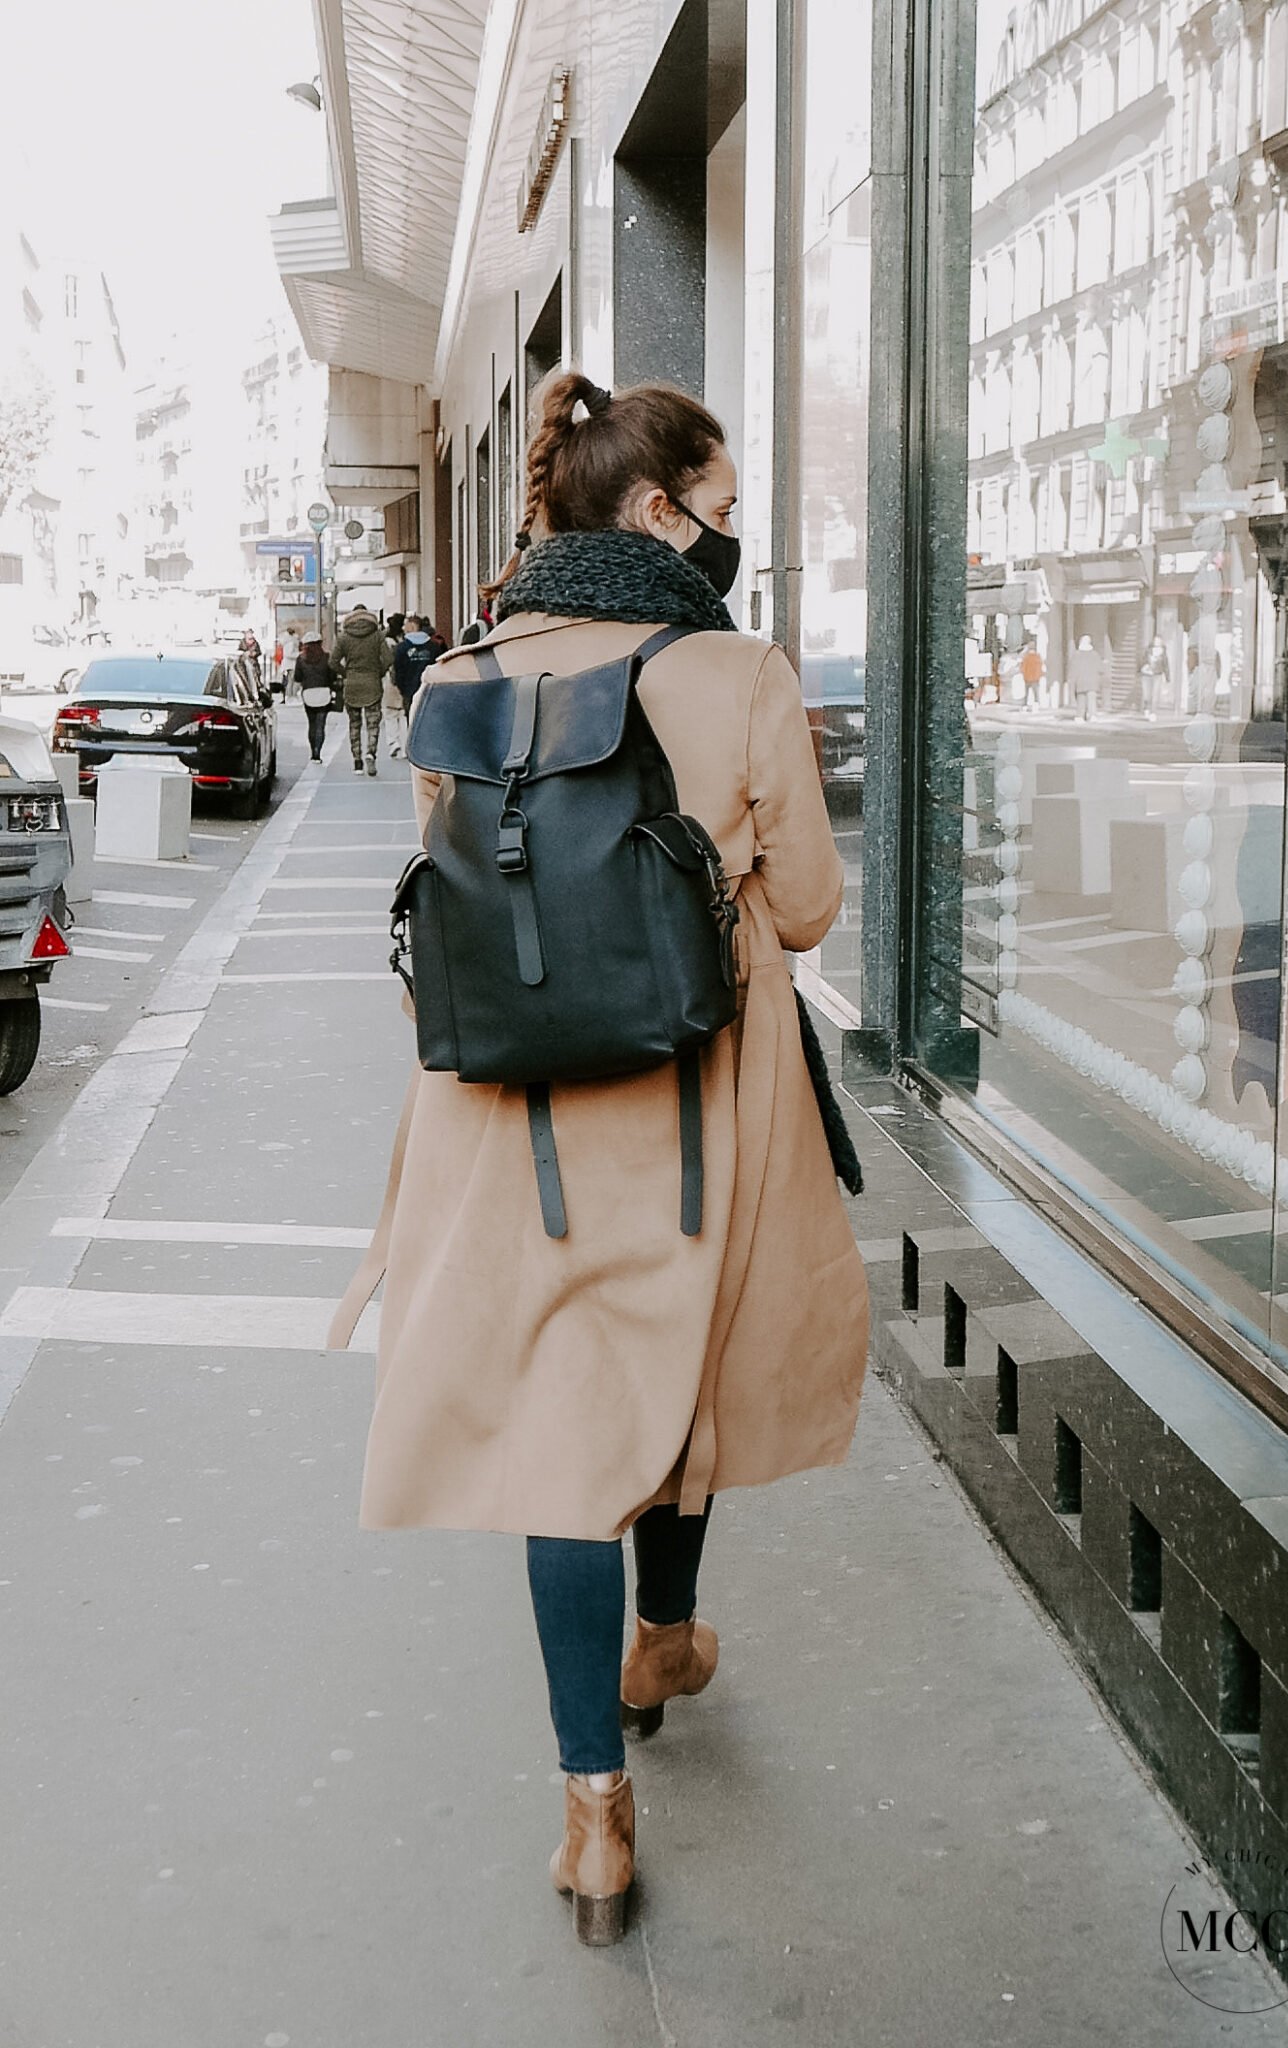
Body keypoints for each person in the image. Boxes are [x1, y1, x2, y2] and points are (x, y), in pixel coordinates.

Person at [327, 372, 870, 1947]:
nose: (730, 533)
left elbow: (450, 874)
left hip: (504, 1111)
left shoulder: (465, 667)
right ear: (659, 514)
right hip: (694, 1100)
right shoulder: (736, 669)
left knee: (559, 1425)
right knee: (681, 1364)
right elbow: (813, 911)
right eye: (718, 500)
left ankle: (591, 1815)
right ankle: (668, 1635)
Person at [328, 604, 392, 775]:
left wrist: (346, 673)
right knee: (373, 723)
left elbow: (333, 662)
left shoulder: (343, 637)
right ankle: (371, 752)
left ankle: (357, 761)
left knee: (354, 724)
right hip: (372, 683)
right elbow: (388, 658)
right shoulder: (378, 635)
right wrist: (378, 672)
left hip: (352, 684)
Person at [388, 613, 438, 753]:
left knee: (411, 717)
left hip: (409, 689)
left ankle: (415, 748)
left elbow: (398, 669)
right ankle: (427, 745)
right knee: (428, 718)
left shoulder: (402, 647)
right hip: (429, 688)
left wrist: (401, 687)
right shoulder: (433, 647)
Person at [295, 633, 333, 760]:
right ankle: (319, 751)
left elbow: (297, 677)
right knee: (321, 725)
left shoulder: (301, 659)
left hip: (308, 693)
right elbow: (332, 676)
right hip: (324, 692)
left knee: (312, 724)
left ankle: (313, 753)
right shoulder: (327, 657)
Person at [1072, 633, 1102, 721]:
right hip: (1092, 681)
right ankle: (1092, 715)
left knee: (1081, 699)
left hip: (1080, 681)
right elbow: (1101, 669)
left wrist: (1073, 681)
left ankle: (1080, 716)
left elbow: (1073, 670)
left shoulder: (1076, 655)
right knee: (1091, 699)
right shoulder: (1095, 654)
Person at [1138, 637, 1168, 721]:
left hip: (1157, 675)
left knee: (1155, 694)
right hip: (1146, 675)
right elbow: (1141, 660)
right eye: (1156, 641)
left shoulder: (1163, 652)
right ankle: (1146, 708)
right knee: (1146, 695)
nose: (1157, 642)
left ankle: (1153, 713)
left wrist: (1167, 677)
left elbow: (1165, 664)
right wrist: (1142, 667)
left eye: (1159, 641)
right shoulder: (1148, 650)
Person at [279, 625, 301, 697]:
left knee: (290, 681)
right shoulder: (291, 643)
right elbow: (289, 654)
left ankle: (289, 696)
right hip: (291, 664)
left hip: (288, 664)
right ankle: (290, 696)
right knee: (291, 681)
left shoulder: (288, 641)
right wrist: (299, 654)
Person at [1020, 642, 1044, 711]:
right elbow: (1039, 668)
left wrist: (1024, 675)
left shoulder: (1026, 657)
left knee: (1026, 693)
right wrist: (1039, 676)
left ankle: (1025, 706)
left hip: (1027, 678)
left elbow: (1023, 668)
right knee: (1036, 693)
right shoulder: (1037, 657)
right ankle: (1036, 706)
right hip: (1035, 678)